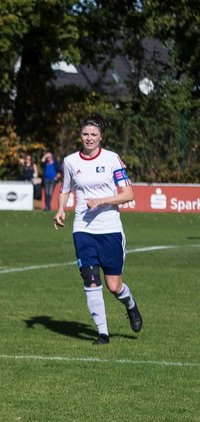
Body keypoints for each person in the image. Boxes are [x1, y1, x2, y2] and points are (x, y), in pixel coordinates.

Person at [52, 114, 143, 344]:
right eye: (85, 134)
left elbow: (128, 194)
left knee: (114, 286)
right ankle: (102, 333)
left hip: (110, 229)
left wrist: (101, 201)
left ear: (101, 137)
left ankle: (130, 304)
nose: (89, 138)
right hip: (82, 228)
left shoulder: (113, 159)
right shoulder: (71, 161)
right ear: (80, 136)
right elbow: (65, 189)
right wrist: (61, 209)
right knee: (90, 279)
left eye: (93, 134)